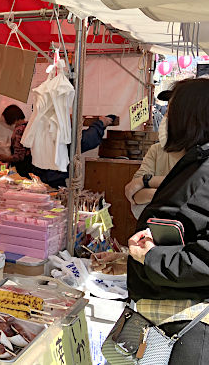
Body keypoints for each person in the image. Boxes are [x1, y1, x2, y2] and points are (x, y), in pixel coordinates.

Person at [128, 79, 209, 363]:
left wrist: (151, 258)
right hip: (173, 321)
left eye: (171, 110)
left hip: (190, 329)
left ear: (191, 115)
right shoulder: (194, 163)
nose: (166, 118)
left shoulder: (205, 170)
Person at [125, 89, 180, 218]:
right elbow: (134, 194)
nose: (167, 116)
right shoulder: (157, 150)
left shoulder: (201, 155)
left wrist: (148, 182)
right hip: (155, 231)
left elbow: (191, 189)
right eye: (168, 110)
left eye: (174, 111)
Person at [0, 105, 34, 177]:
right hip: (31, 167)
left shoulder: (19, 130)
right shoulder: (29, 126)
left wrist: (5, 158)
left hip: (22, 170)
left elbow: (19, 156)